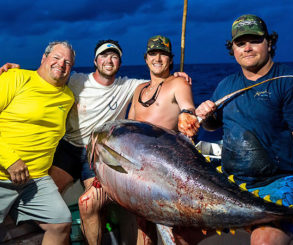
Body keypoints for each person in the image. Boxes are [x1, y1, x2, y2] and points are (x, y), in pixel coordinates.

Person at [0, 39, 192, 245]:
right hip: (68, 148)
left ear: (119, 63)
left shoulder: (130, 86)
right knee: (54, 198)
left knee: (90, 205)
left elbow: (157, 83)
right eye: (104, 55)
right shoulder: (74, 82)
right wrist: (10, 70)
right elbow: (45, 77)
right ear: (95, 60)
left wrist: (175, 77)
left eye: (114, 56)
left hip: (97, 152)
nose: (108, 60)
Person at [191, 14, 293, 245]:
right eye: (240, 43)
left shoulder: (292, 83)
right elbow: (213, 125)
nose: (247, 48)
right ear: (232, 49)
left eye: (255, 40)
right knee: (182, 234)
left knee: (264, 241)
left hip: (279, 182)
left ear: (269, 43)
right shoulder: (226, 85)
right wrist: (206, 115)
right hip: (231, 183)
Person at [0, 41, 75, 245]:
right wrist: (9, 160)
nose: (61, 64)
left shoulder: (68, 97)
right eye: (57, 57)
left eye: (68, 62)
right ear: (44, 58)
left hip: (36, 181)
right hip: (1, 174)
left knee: (61, 223)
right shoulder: (15, 77)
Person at [128, 35, 199, 245]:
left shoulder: (178, 82)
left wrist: (187, 115)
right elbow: (131, 125)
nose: (157, 58)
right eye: (153, 53)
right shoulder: (138, 89)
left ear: (170, 59)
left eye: (163, 53)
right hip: (138, 167)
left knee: (174, 232)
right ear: (146, 58)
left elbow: (188, 106)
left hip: (166, 166)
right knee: (143, 226)